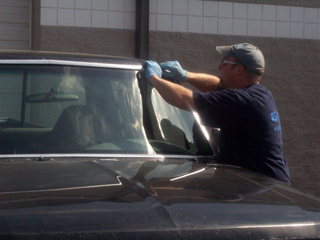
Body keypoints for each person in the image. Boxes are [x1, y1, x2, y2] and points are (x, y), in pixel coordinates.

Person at [143, 43, 291, 184]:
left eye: (224, 62)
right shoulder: (260, 94)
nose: (219, 66)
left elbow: (183, 99)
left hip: (264, 190)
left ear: (238, 69)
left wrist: (154, 78)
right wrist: (185, 76)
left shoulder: (242, 102)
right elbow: (216, 86)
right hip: (267, 185)